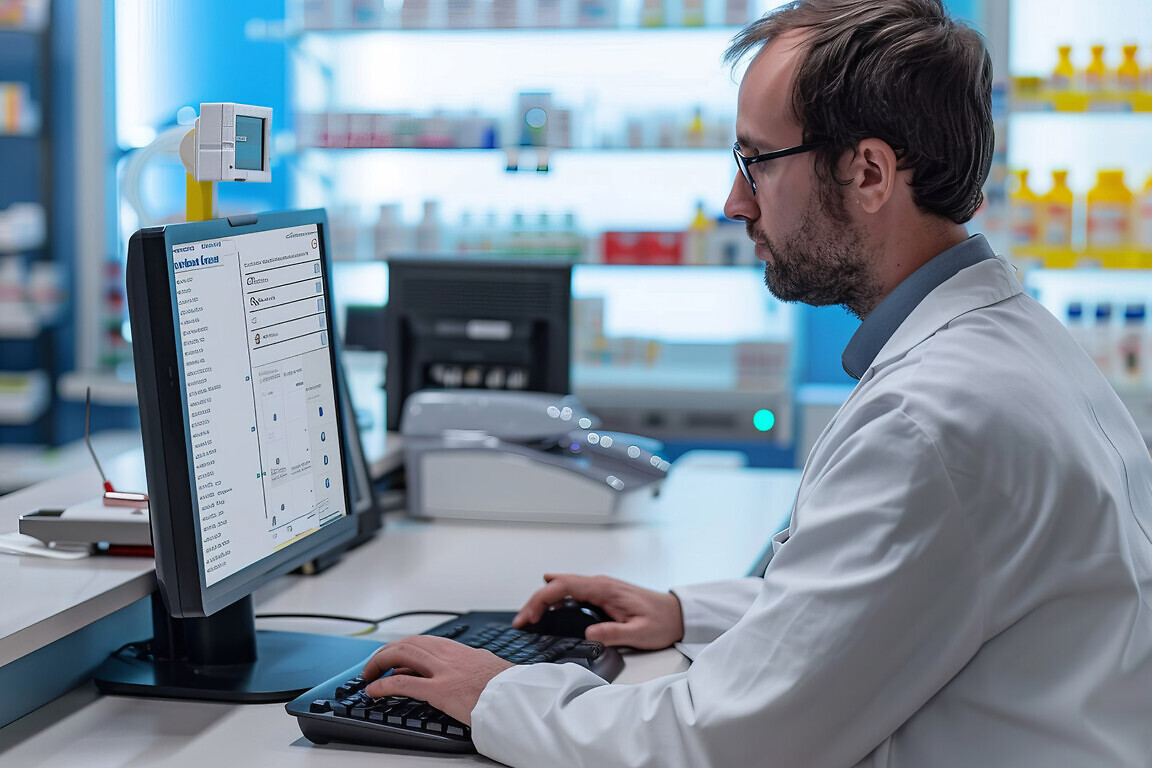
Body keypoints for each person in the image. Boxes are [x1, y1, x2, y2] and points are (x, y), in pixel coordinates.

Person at [362, 0, 1152, 764]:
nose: (736, 202)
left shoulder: (932, 418)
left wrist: (501, 693)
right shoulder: (1008, 341)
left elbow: (722, 745)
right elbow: (880, 603)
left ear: (869, 173)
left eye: (757, 161)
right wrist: (682, 614)